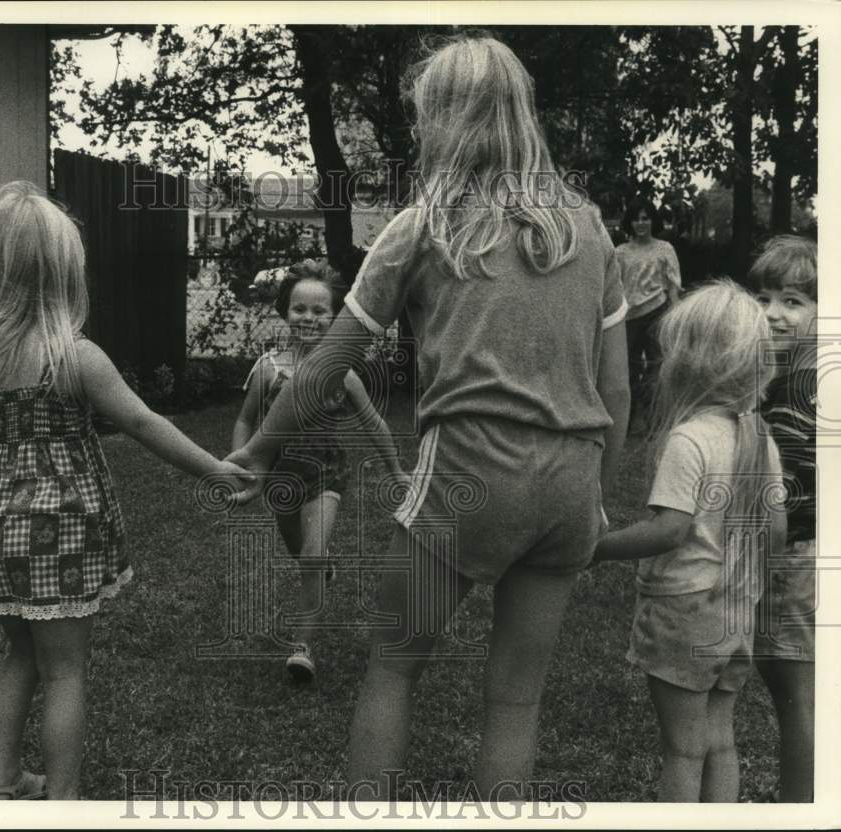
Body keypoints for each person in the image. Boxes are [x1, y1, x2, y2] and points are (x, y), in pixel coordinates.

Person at [228, 35, 630, 798]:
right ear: (522, 115)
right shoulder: (588, 228)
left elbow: (325, 366)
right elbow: (617, 396)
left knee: (393, 666)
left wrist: (258, 452)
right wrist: (599, 499)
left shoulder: (423, 225)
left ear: (442, 122)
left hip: (467, 480)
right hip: (571, 487)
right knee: (516, 700)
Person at [0, 182, 252, 800]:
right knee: (65, 672)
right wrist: (213, 470)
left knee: (18, 659)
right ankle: (63, 800)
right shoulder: (76, 356)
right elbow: (143, 423)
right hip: (62, 534)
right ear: (66, 274)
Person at [594, 281, 785, 802]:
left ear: (692, 363)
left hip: (684, 609)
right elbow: (778, 529)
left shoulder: (691, 438)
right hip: (736, 612)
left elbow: (668, 529)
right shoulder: (759, 436)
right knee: (719, 742)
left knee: (682, 748)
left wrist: (599, 547)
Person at [232, 258, 407, 683]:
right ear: (284, 311)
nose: (308, 318)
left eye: (319, 311)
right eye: (299, 309)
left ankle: (303, 646)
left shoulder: (341, 375)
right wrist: (238, 463)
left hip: (327, 475)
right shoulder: (268, 370)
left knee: (311, 557)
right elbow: (244, 420)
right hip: (281, 481)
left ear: (335, 318)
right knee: (300, 551)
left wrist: (397, 472)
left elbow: (374, 424)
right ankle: (319, 566)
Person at [750, 235, 817, 802]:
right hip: (794, 553)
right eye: (766, 297)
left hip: (794, 556)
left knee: (799, 696)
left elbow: (785, 497)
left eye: (793, 301)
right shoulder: (781, 375)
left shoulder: (801, 386)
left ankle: (803, 806)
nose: (773, 313)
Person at [616, 198, 682, 433]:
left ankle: (653, 419)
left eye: (645, 218)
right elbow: (614, 286)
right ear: (629, 222)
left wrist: (674, 316)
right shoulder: (621, 252)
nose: (640, 223)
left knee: (657, 366)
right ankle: (628, 419)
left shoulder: (665, 249)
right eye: (636, 219)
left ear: (653, 220)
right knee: (629, 368)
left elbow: (673, 284)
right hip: (629, 316)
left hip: (657, 311)